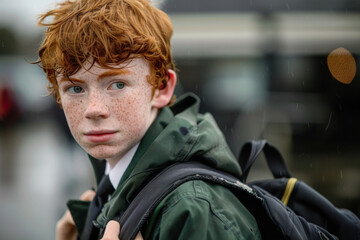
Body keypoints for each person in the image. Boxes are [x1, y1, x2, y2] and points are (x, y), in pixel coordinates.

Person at [36, 0, 261, 239]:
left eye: (117, 84)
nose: (93, 109)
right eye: (75, 89)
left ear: (162, 88)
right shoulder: (117, 184)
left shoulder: (193, 208)